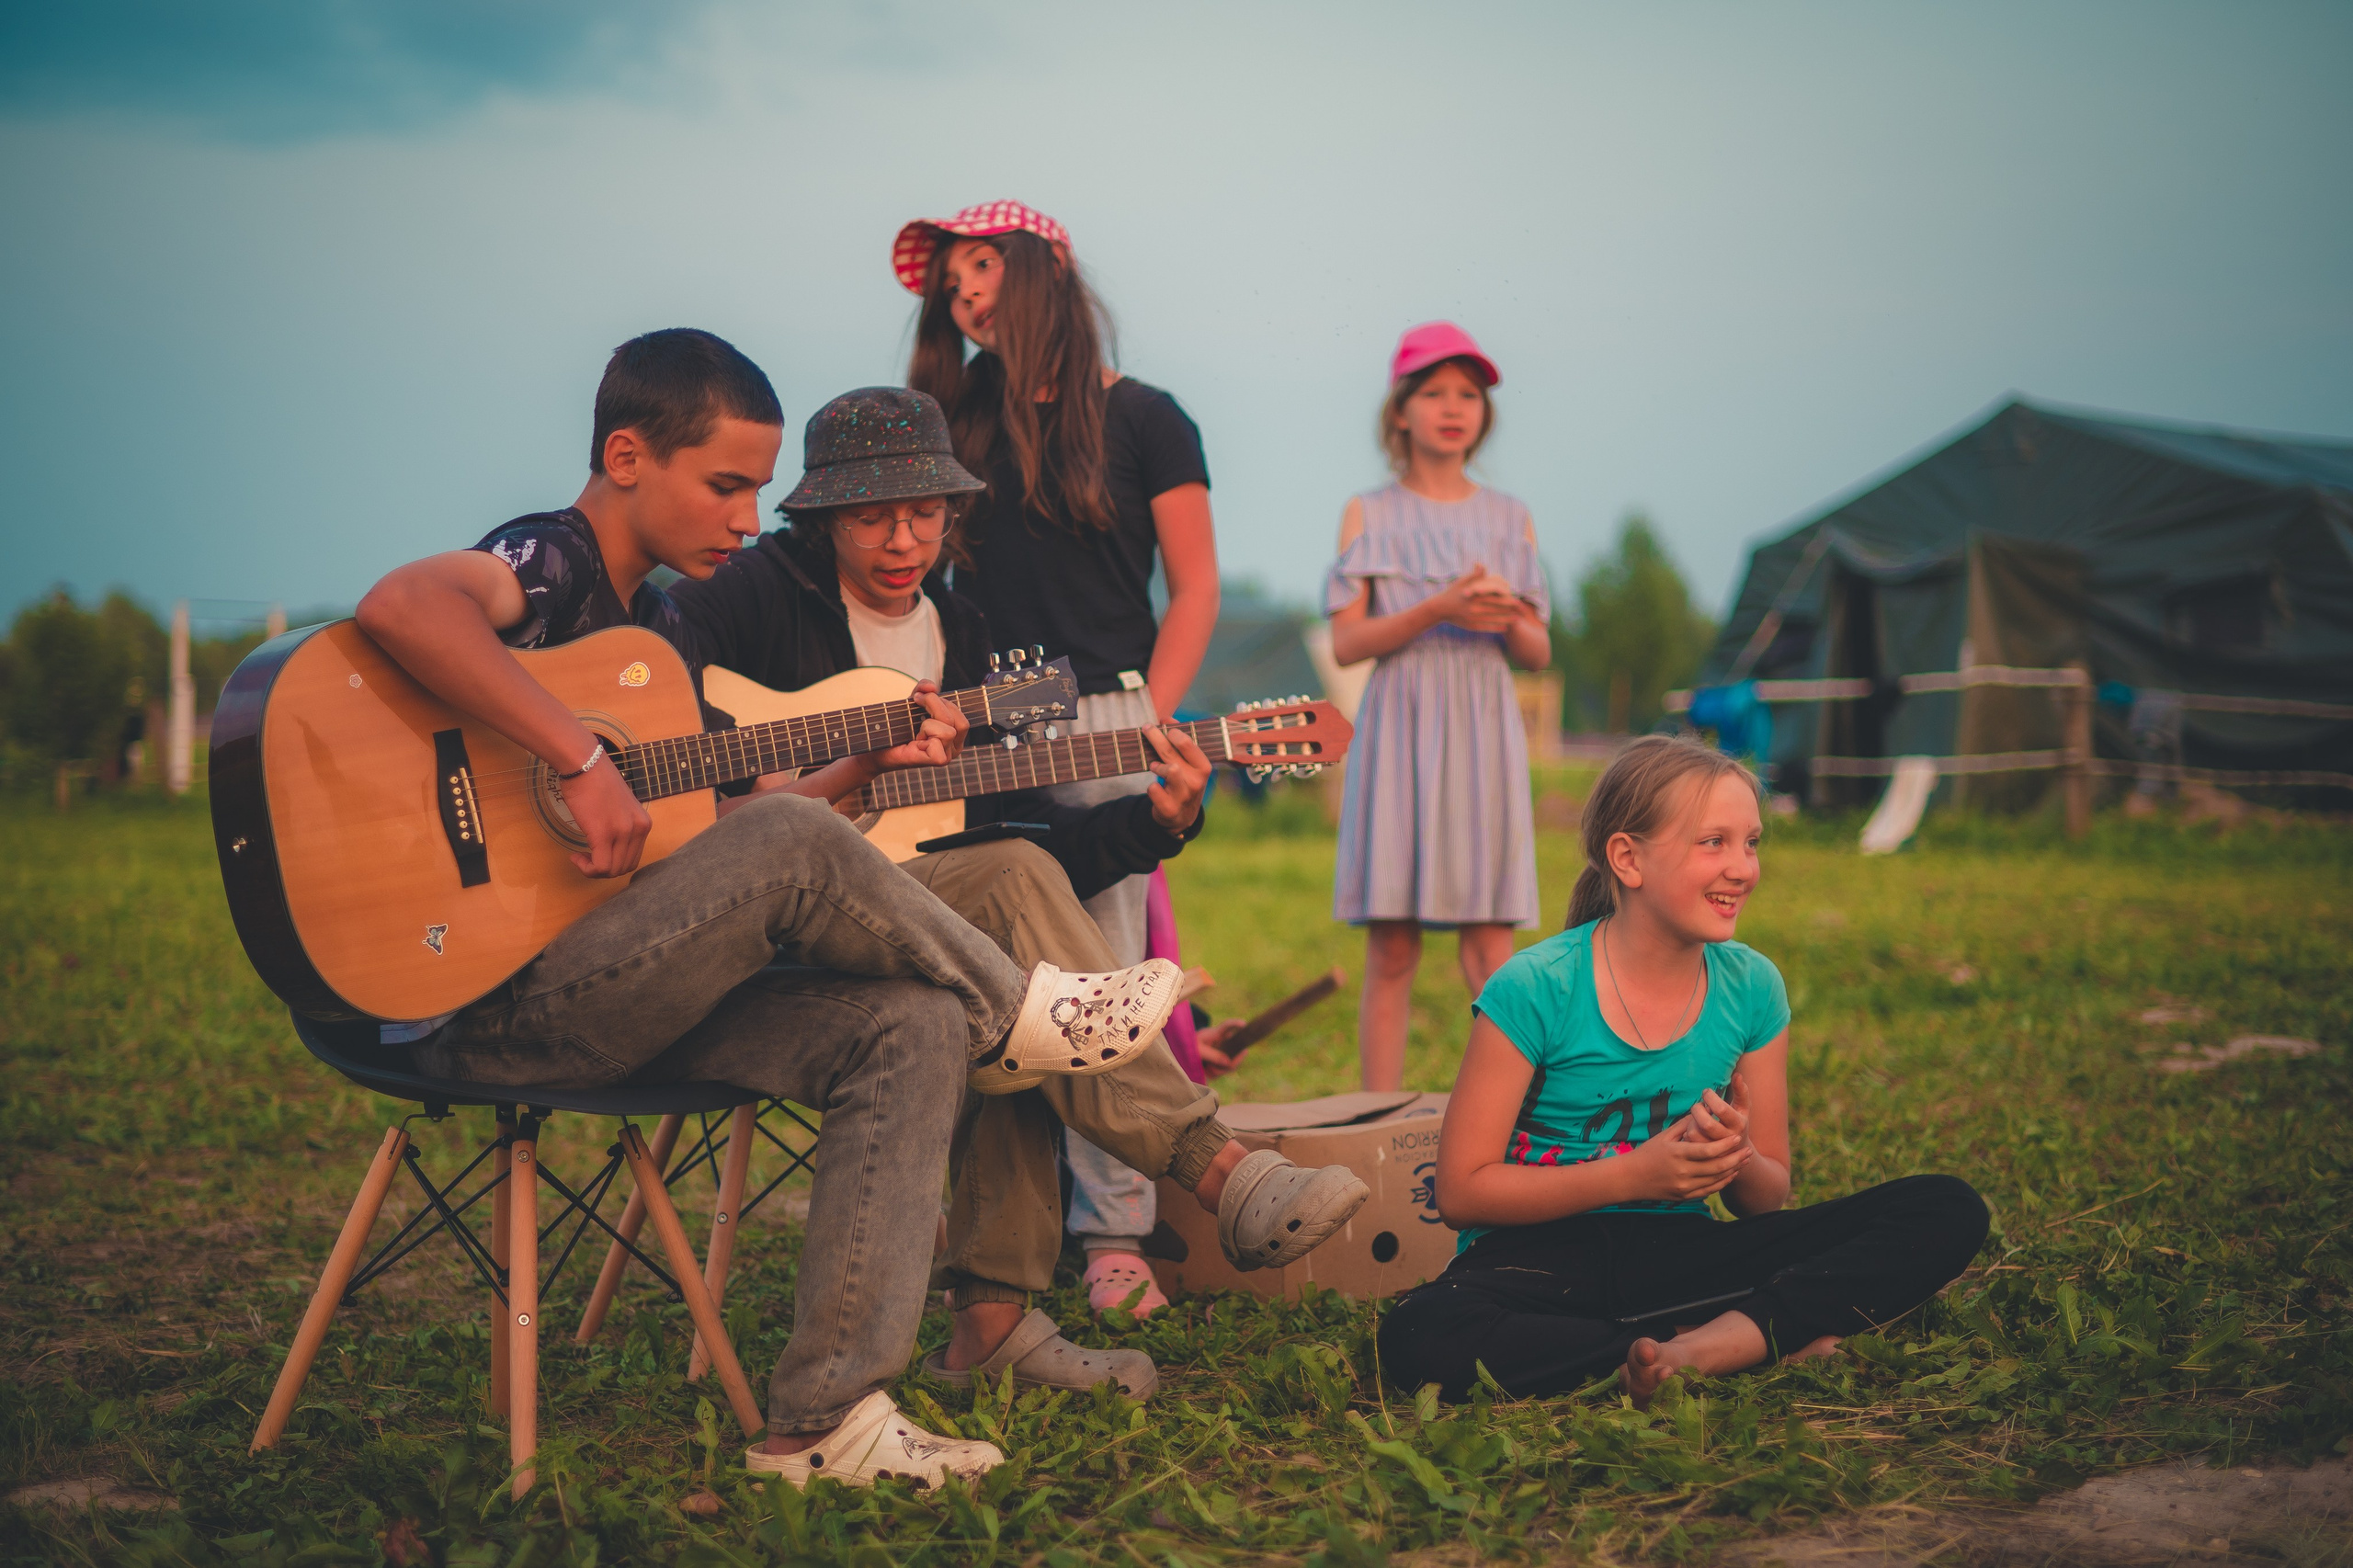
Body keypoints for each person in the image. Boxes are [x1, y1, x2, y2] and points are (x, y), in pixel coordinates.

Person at [352, 329, 1198, 1491]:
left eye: (757, 489)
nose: (752, 518)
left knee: (909, 1021)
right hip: (495, 998)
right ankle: (1027, 1014)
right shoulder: (548, 562)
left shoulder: (647, 640)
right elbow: (404, 604)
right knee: (804, 849)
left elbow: (721, 838)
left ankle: (825, 1421)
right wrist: (572, 755)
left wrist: (855, 763)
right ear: (626, 455)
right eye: (728, 485)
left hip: (629, 981)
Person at [672, 384, 1370, 1399]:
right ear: (822, 516)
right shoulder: (751, 596)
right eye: (871, 515)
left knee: (1021, 999)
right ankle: (1220, 1170)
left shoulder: (969, 640)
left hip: (918, 927)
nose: (901, 537)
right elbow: (638, 703)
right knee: (1021, 944)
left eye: (924, 511)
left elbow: (1042, 842)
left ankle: (990, 1328)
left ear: (955, 513)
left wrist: (1160, 819)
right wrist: (809, 777)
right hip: (762, 920)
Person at [1377, 735, 1989, 1404]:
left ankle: (1701, 1348)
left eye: (1751, 842)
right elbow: (1461, 1192)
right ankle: (1719, 1347)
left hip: (1682, 1254)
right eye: (1713, 843)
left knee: (1945, 1207)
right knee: (1419, 1332)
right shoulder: (1535, 986)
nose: (1742, 868)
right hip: (1536, 1258)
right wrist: (1635, 1174)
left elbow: (1764, 1198)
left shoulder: (1753, 987)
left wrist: (1735, 1154)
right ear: (1627, 858)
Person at [898, 200, 1221, 1312]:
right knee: (977, 966)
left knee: (1101, 976)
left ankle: (1115, 1234)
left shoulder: (1147, 419)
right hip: (972, 722)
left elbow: (1197, 590)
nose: (964, 293)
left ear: (1041, 271)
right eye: (949, 282)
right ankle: (978, 1227)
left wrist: (1149, 725)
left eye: (980, 266)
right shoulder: (948, 423)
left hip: (1104, 718)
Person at [1326, 323, 1554, 1093]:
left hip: (1483, 727)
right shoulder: (1367, 511)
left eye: (1469, 394)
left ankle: (1522, 1113)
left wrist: (1504, 614)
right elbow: (1350, 642)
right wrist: (1439, 607)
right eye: (1433, 392)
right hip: (1401, 725)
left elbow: (1537, 651)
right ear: (1400, 410)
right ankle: (1379, 1119)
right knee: (1391, 947)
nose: (1452, 409)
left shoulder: (1511, 516)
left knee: (1492, 947)